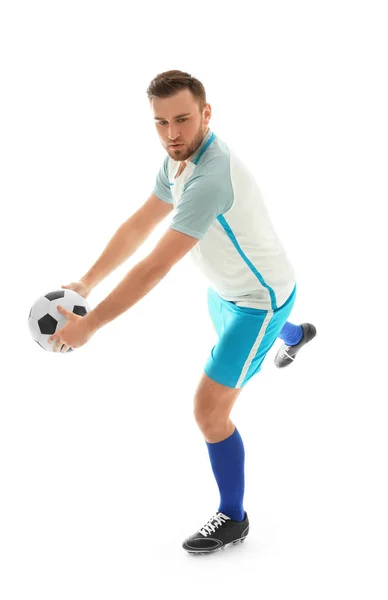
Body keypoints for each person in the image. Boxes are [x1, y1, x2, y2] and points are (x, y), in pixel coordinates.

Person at [48, 69, 316, 555]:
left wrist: (90, 325)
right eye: (161, 122)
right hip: (226, 291)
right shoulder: (176, 161)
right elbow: (138, 226)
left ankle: (233, 517)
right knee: (249, 348)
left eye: (183, 120)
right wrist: (87, 280)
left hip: (259, 302)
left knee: (208, 411)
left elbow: (154, 266)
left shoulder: (210, 178)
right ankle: (296, 335)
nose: (172, 134)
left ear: (207, 113)